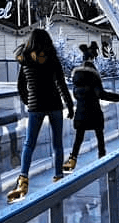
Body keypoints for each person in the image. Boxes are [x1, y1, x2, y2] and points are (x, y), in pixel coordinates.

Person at [6, 28, 74, 203]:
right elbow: (61, 84)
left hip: (35, 107)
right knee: (57, 143)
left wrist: (28, 101)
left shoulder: (26, 60)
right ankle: (58, 176)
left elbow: (21, 86)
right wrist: (69, 104)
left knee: (29, 144)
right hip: (54, 106)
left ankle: (23, 179)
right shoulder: (53, 60)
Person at [64, 60, 119, 170]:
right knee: (99, 136)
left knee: (78, 138)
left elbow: (76, 96)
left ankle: (72, 160)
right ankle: (102, 157)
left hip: (81, 113)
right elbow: (101, 94)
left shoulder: (77, 81)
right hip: (94, 112)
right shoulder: (94, 79)